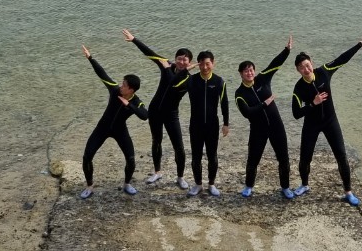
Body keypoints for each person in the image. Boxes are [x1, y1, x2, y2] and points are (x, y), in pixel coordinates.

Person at [290, 30, 362, 206]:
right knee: (305, 158)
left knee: (341, 156)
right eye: (302, 67)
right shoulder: (299, 88)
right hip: (311, 124)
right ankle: (304, 185)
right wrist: (313, 103)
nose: (306, 68)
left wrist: (360, 44)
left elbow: (342, 59)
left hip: (330, 121)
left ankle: (348, 192)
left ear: (311, 62)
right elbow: (296, 113)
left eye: (307, 64)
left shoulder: (324, 71)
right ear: (298, 70)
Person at [123, 28, 193, 189]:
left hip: (171, 114)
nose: (182, 62)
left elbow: (173, 83)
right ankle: (157, 171)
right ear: (176, 59)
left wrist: (168, 68)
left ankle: (180, 177)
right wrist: (134, 40)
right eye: (179, 59)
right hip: (155, 111)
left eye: (185, 60)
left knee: (179, 146)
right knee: (156, 141)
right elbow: (150, 53)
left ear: (189, 62)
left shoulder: (188, 79)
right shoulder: (166, 63)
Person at [78, 45, 148, 199]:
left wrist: (128, 105)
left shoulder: (136, 102)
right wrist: (90, 58)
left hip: (119, 130)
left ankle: (127, 184)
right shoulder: (115, 90)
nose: (121, 86)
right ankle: (89, 186)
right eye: (122, 84)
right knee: (87, 156)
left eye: (124, 85)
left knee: (131, 159)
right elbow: (102, 74)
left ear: (131, 90)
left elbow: (145, 115)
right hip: (102, 128)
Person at [233, 34, 296, 200]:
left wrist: (287, 50)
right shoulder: (240, 94)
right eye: (246, 70)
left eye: (251, 69)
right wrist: (265, 103)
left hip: (276, 126)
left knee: (283, 158)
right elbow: (247, 113)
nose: (250, 72)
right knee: (253, 160)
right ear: (241, 73)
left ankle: (285, 187)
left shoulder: (262, 79)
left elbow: (275, 64)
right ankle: (248, 186)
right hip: (258, 130)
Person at [185, 50, 229, 196]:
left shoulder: (219, 82)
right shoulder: (191, 80)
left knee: (212, 156)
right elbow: (174, 85)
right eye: (202, 64)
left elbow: (224, 103)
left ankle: (211, 184)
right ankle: (198, 184)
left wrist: (226, 123)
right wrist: (184, 70)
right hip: (195, 125)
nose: (205, 67)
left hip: (212, 125)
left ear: (213, 63)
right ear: (197, 65)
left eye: (207, 63)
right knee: (196, 157)